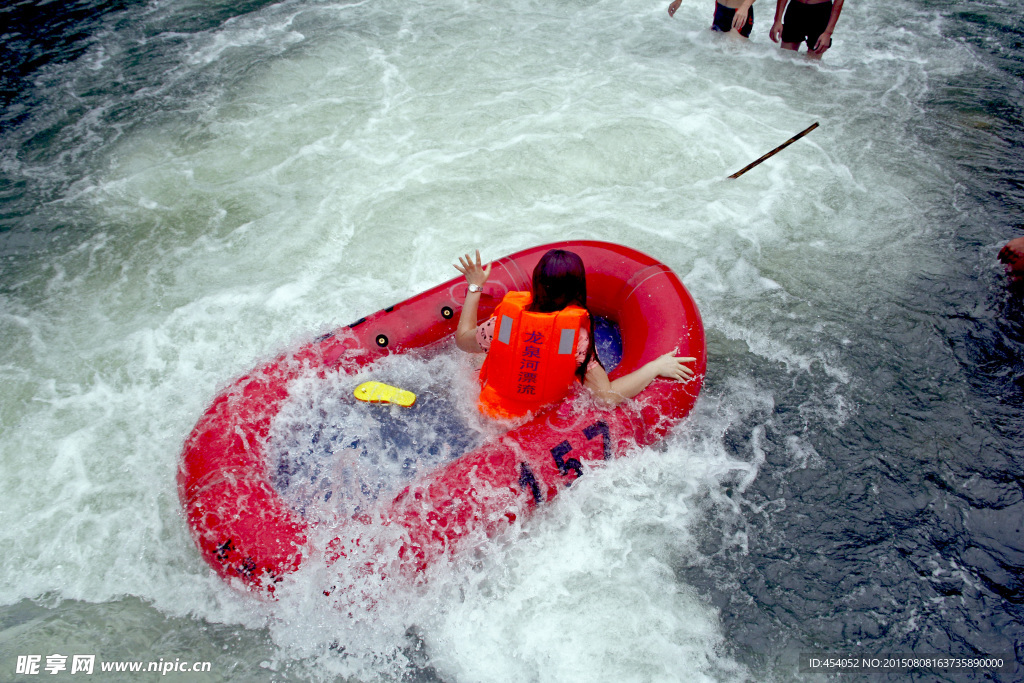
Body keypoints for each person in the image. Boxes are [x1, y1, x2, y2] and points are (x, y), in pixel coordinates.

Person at [454, 249, 696, 420]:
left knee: (478, 357)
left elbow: (463, 340)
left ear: (536, 281)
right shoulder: (575, 338)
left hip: (485, 414)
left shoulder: (502, 324)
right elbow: (607, 397)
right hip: (534, 420)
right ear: (578, 286)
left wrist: (475, 286)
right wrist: (654, 367)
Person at [769, 0, 844, 59]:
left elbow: (839, 1)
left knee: (812, 66)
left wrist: (828, 33)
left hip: (820, 13)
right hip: (796, 9)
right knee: (785, 59)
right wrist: (777, 20)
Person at [668, 0, 757, 40]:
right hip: (720, 9)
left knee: (735, 53)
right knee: (715, 50)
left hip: (740, 12)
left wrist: (745, 6)